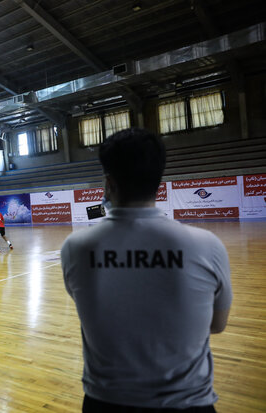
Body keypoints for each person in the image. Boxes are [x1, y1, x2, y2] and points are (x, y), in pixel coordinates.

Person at [60, 128, 232, 412]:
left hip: (105, 403)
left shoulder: (75, 247)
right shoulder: (207, 245)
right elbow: (217, 325)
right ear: (158, 182)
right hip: (188, 403)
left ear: (108, 182)